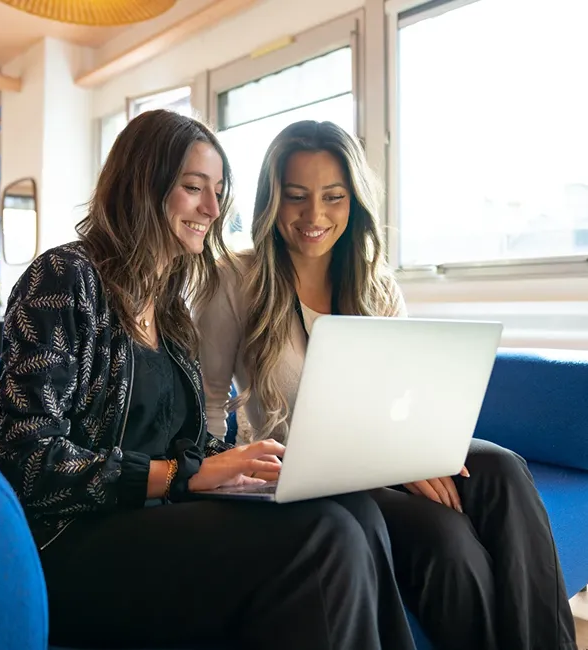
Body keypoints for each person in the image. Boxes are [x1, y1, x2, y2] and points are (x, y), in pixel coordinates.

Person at [0, 110, 417, 650]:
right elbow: (24, 460)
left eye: (218, 192)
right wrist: (181, 476)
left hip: (160, 517)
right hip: (76, 539)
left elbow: (190, 444)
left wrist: (251, 467)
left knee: (352, 511)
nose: (213, 209)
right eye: (194, 188)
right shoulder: (62, 278)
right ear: (144, 185)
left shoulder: (169, 310)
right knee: (322, 537)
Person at [195, 119, 578, 650]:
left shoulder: (373, 276)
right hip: (306, 471)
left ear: (354, 200)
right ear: (271, 200)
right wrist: (214, 480)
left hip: (384, 451)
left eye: (333, 196)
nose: (315, 216)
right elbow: (208, 401)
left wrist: (414, 456)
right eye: (296, 197)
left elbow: (408, 389)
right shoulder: (235, 278)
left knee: (504, 468)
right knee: (450, 542)